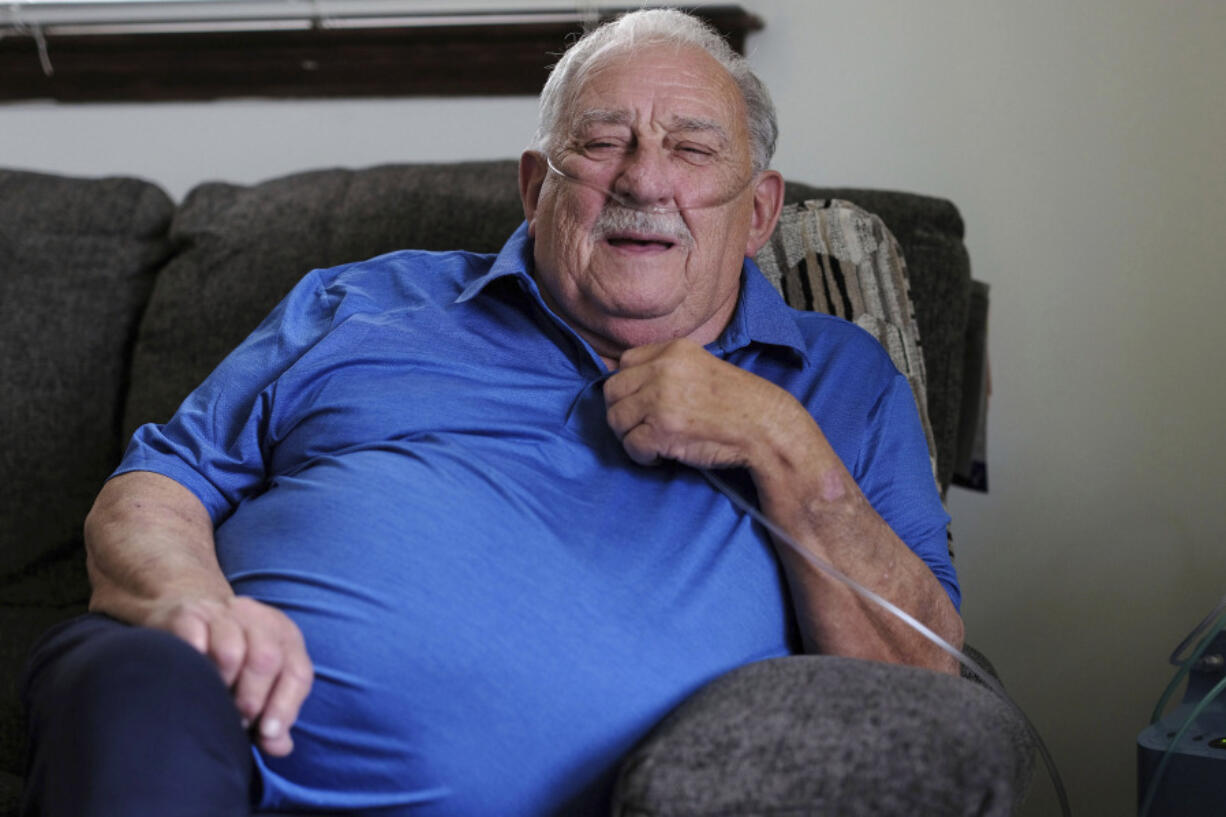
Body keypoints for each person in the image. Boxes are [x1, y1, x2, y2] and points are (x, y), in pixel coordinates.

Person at [21, 8, 963, 817]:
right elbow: (153, 488)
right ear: (533, 186)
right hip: (203, 746)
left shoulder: (836, 378)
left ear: (759, 213)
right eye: (600, 142)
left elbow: (928, 685)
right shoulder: (361, 304)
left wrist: (777, 441)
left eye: (691, 146)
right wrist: (192, 600)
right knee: (131, 675)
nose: (642, 179)